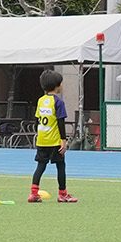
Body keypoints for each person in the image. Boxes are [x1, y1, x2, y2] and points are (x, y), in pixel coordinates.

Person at [28, 69, 76, 203]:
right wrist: (63, 140)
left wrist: (39, 135)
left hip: (42, 140)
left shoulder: (40, 101)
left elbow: (37, 120)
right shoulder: (58, 102)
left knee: (40, 166)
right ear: (57, 86)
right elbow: (60, 122)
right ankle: (62, 194)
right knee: (61, 165)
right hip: (55, 141)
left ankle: (33, 193)